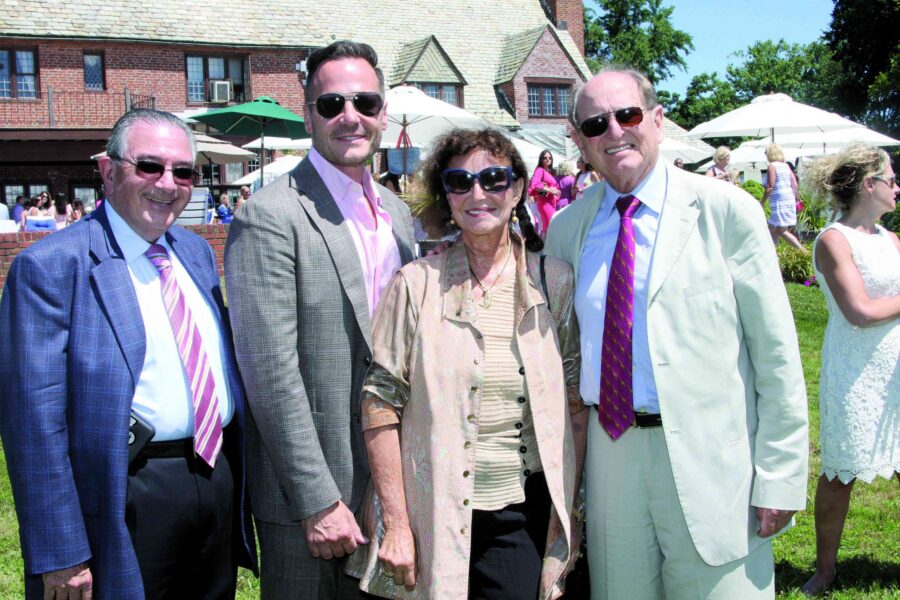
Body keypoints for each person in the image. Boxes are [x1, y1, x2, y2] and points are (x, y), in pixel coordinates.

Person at [544, 65, 809, 598]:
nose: (614, 131)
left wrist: (779, 475)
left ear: (657, 120)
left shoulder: (726, 211)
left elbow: (776, 356)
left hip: (714, 459)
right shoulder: (566, 229)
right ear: (578, 140)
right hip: (610, 453)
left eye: (628, 115)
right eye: (595, 124)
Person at [0, 108, 257, 599]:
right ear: (108, 170)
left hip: (213, 479)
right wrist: (61, 550)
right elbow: (33, 423)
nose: (168, 183)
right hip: (126, 491)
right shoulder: (52, 268)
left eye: (183, 171)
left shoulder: (195, 252)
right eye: (149, 167)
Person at [345, 128, 585, 598]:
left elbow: (574, 402)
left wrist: (567, 510)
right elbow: (379, 405)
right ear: (446, 195)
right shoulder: (414, 284)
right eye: (461, 181)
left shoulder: (552, 281)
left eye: (494, 178)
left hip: (521, 513)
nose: (478, 193)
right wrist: (395, 522)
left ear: (517, 190)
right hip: (430, 512)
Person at [225, 40, 416, 599]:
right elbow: (269, 372)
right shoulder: (269, 216)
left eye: (365, 102)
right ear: (308, 114)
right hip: (313, 500)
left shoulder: (398, 214)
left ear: (382, 112)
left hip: (396, 483)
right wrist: (316, 497)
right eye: (332, 104)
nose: (350, 117)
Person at [799, 144, 899, 597]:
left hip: (895, 364)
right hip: (854, 371)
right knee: (841, 472)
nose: (897, 186)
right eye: (892, 178)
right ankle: (825, 570)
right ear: (868, 184)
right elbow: (858, 311)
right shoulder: (832, 240)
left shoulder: (891, 239)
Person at [762, 143, 806, 251]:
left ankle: (802, 250)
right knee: (772, 228)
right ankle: (774, 253)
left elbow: (770, 186)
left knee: (781, 231)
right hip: (788, 200)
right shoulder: (786, 166)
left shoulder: (772, 166)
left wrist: (762, 202)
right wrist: (794, 198)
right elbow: (794, 183)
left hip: (779, 202)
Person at [528, 149, 560, 235]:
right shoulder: (540, 170)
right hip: (545, 204)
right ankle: (550, 247)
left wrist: (555, 192)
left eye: (550, 158)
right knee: (552, 226)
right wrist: (549, 190)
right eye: (545, 158)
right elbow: (535, 185)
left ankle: (545, 247)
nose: (548, 159)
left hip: (551, 202)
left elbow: (542, 191)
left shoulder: (550, 172)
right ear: (541, 160)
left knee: (546, 228)